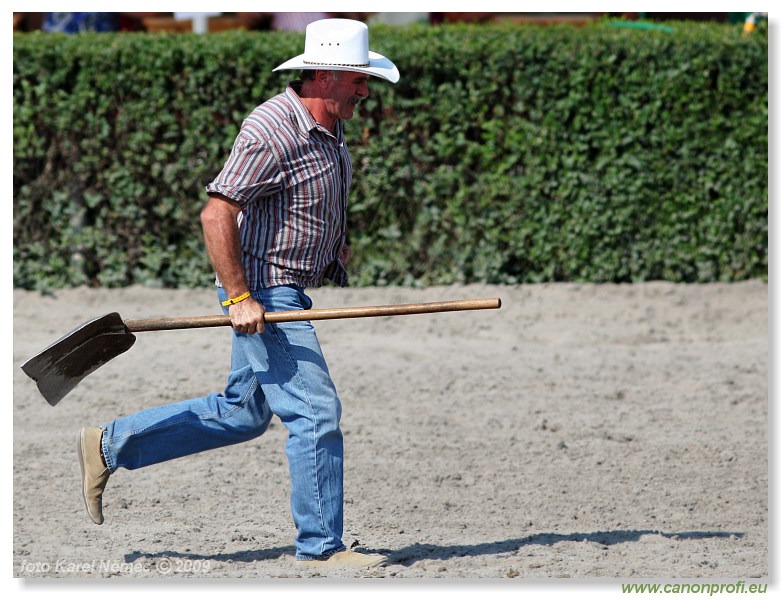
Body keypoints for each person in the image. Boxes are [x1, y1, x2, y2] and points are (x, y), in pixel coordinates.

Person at [77, 18, 399, 568]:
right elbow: (217, 211)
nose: (366, 90)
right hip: (265, 292)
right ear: (324, 75)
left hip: (284, 286)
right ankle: (322, 548)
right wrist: (239, 298)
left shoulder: (328, 124)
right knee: (315, 413)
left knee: (243, 413)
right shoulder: (273, 128)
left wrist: (332, 251)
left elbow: (304, 200)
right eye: (358, 80)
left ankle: (110, 444)